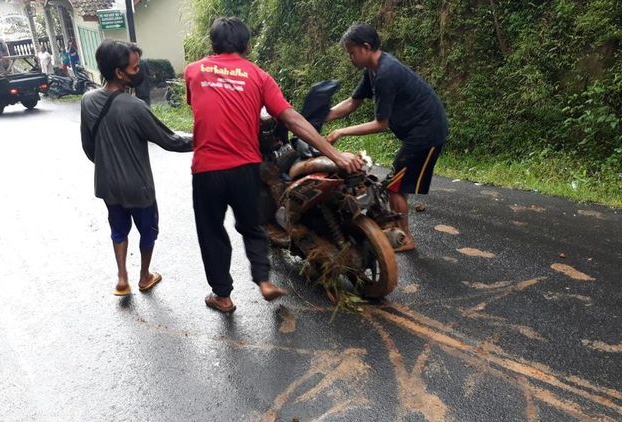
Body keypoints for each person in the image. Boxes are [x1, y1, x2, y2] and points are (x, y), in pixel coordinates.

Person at [185, 17, 363, 313]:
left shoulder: (193, 71)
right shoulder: (258, 76)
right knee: (253, 226)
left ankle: (223, 296)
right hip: (244, 168)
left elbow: (203, 107)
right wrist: (335, 154)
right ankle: (264, 281)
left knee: (211, 231)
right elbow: (291, 118)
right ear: (247, 45)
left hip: (207, 169)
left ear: (212, 44)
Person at [80, 40, 193, 296]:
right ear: (119, 73)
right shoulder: (135, 107)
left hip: (107, 185)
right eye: (134, 68)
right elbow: (170, 141)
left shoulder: (87, 101)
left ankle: (122, 278)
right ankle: (144, 276)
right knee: (148, 231)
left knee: (118, 229)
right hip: (138, 187)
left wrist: (109, 166)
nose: (139, 71)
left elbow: (89, 148)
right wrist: (206, 139)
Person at [325, 23, 448, 252]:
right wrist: (322, 116)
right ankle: (396, 229)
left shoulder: (385, 73)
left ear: (366, 47)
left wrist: (341, 131)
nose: (350, 57)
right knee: (396, 182)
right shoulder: (372, 71)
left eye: (352, 52)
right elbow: (353, 103)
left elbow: (382, 124)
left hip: (427, 131)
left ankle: (406, 238)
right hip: (418, 131)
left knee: (395, 185)